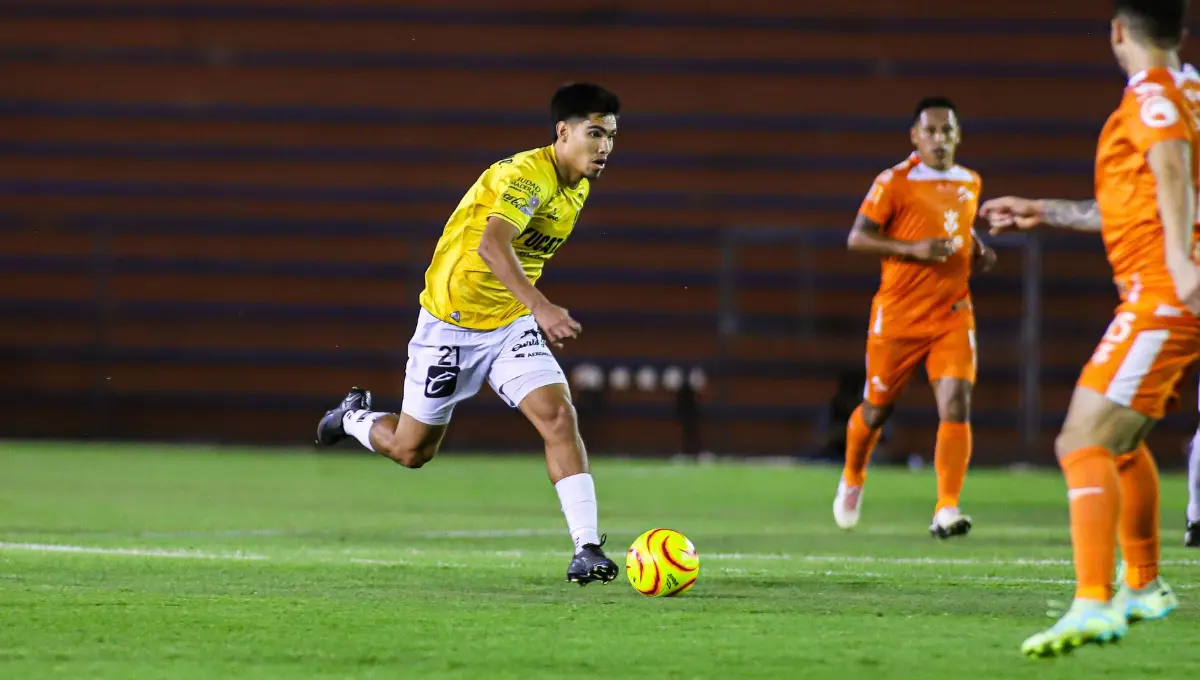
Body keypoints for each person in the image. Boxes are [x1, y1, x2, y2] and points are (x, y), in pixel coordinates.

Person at [313, 83, 621, 586]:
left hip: (508, 324)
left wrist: (526, 311)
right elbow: (490, 246)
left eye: (610, 135)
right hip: (450, 327)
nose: (604, 146)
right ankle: (352, 418)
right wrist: (541, 305)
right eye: (594, 133)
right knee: (413, 451)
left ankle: (586, 547)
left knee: (559, 417)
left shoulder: (578, 185)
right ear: (562, 132)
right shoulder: (526, 175)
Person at [981, 0, 1196, 656]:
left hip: (1163, 295)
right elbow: (1136, 204)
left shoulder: (1154, 95)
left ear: (1117, 31)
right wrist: (1043, 210)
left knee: (1081, 439)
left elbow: (1169, 163)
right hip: (1163, 290)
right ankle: (1146, 586)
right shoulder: (1187, 89)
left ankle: (1095, 602)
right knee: (1122, 443)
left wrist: (1182, 264)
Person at [833, 96, 997, 539]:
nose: (939, 139)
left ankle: (947, 507)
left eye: (947, 131)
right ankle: (853, 474)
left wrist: (976, 249)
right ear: (914, 136)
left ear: (958, 135)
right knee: (875, 410)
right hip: (899, 317)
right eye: (931, 130)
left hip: (952, 314)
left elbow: (955, 228)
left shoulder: (970, 182)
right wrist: (913, 251)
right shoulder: (894, 181)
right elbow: (858, 238)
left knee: (957, 402)